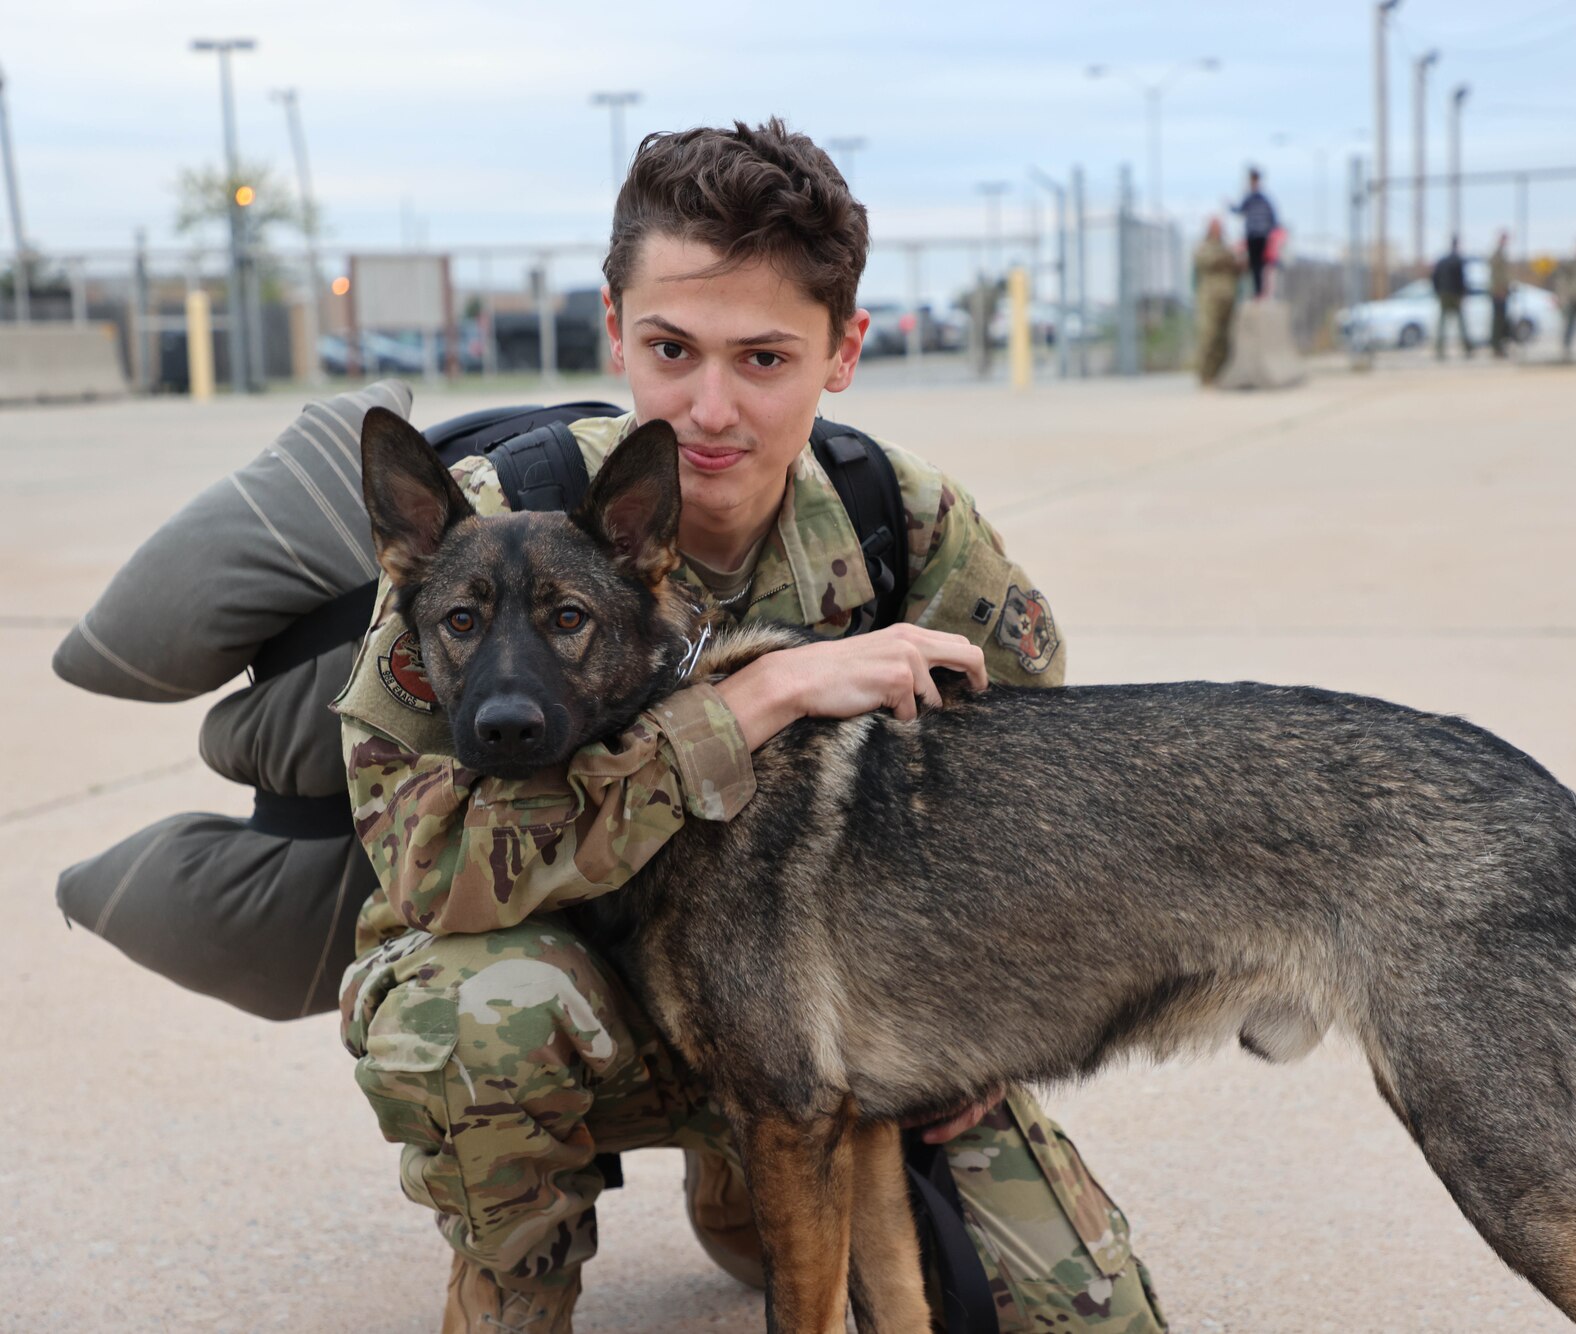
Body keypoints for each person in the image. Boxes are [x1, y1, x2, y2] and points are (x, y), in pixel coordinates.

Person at [333, 120, 1167, 1334]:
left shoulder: (905, 522)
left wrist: (969, 1027)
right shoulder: (482, 539)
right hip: (584, 1007)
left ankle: (745, 1180)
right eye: (670, 348)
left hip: (831, 1019)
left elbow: (1025, 821)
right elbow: (423, 861)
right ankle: (512, 1287)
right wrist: (757, 699)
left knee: (1095, 1320)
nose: (709, 407)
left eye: (765, 357)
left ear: (842, 353)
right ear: (614, 328)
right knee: (475, 1005)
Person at [1192, 216, 1244, 385]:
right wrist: (1229, 260)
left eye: (1220, 227)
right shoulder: (1203, 248)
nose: (1218, 230)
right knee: (1209, 335)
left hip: (1227, 298)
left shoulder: (1227, 249)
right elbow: (1209, 262)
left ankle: (1219, 375)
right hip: (1210, 299)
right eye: (1215, 227)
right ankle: (1205, 375)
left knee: (1224, 338)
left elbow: (1237, 269)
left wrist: (1239, 264)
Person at [1231, 167, 1278, 297]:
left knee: (1259, 264)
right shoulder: (1254, 198)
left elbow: (1273, 218)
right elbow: (1239, 210)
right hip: (1254, 235)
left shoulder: (1259, 199)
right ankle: (1257, 291)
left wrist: (1269, 232)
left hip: (1259, 235)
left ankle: (1259, 292)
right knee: (1255, 264)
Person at [1431, 235, 1472, 359]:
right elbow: (1461, 279)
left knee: (1443, 323)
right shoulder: (1457, 261)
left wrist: (1438, 291)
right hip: (1454, 295)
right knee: (1460, 324)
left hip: (1444, 294)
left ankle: (1439, 350)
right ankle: (1467, 349)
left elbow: (1434, 278)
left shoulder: (1442, 261)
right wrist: (1462, 293)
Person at [1489, 230, 1514, 358]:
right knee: (1498, 322)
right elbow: (1496, 275)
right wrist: (1499, 289)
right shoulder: (1497, 255)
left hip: (1502, 291)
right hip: (1498, 292)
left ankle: (1500, 347)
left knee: (1503, 322)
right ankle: (1496, 347)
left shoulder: (1502, 254)